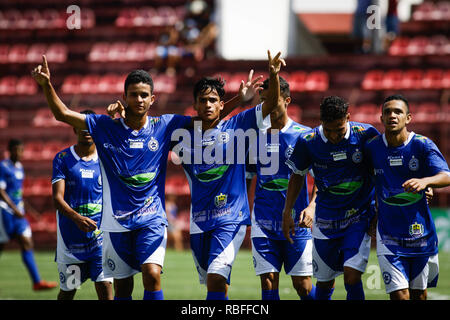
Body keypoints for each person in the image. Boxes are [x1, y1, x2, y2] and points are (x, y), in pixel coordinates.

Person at [31, 55, 260, 300]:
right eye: (133, 94)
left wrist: (239, 100)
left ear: (152, 99)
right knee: (123, 288)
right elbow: (63, 114)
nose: (138, 99)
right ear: (125, 97)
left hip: (152, 219)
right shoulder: (105, 126)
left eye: (143, 95)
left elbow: (207, 118)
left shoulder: (166, 125)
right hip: (115, 223)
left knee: (151, 275)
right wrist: (46, 85)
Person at [170, 51, 283, 300]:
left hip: (231, 218)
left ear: (221, 104)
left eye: (213, 100)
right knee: (216, 282)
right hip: (199, 222)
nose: (208, 104)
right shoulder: (181, 134)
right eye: (203, 100)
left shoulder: (237, 126)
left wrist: (273, 76)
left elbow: (272, 104)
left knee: (216, 278)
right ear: (196, 105)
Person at [283, 96, 379, 300]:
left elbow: (382, 169)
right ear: (321, 122)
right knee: (325, 281)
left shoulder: (366, 134)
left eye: (339, 129)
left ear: (348, 117)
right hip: (326, 220)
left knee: (352, 276)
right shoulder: (308, 141)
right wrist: (287, 211)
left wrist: (379, 211)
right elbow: (297, 175)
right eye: (329, 130)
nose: (334, 136)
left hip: (358, 216)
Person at [363, 94, 450, 300]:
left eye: (398, 112)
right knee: (400, 296)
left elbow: (446, 175)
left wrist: (425, 182)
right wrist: (372, 210)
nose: (392, 115)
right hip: (388, 236)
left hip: (420, 235)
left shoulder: (422, 144)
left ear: (408, 118)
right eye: (387, 112)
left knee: (419, 295)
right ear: (381, 118)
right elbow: (366, 180)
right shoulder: (372, 147)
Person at [245, 76, 317, 300]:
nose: (266, 106)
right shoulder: (254, 137)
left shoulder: (305, 136)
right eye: (262, 101)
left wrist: (313, 207)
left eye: (272, 100)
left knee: (303, 286)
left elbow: (323, 179)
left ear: (287, 100)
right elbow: (247, 177)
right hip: (264, 221)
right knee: (268, 283)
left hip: (297, 222)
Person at [52, 109, 113, 300]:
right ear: (73, 128)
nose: (86, 130)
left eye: (89, 126)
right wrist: (76, 218)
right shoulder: (62, 159)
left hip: (99, 240)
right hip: (72, 243)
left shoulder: (107, 158)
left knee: (105, 287)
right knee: (69, 290)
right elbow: (57, 198)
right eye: (81, 126)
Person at [0, 139, 57, 291]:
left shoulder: (19, 167)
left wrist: (24, 206)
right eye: (17, 150)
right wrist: (14, 208)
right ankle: (37, 282)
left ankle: (37, 282)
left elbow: (16, 192)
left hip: (19, 213)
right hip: (5, 211)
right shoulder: (3, 167)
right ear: (10, 150)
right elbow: (1, 191)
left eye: (22, 150)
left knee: (27, 243)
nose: (20, 153)